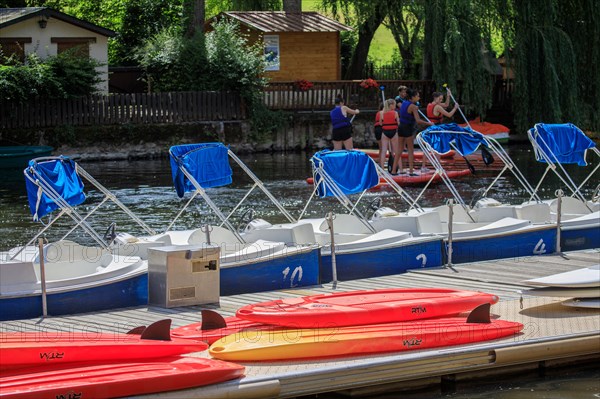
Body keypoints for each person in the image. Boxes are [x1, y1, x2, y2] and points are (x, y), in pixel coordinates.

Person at [399, 89, 434, 176]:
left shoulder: (404, 103)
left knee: (399, 150)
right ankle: (411, 171)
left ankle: (394, 171)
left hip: (401, 127)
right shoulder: (413, 106)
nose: (419, 97)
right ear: (413, 97)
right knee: (411, 150)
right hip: (408, 128)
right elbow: (418, 121)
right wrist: (429, 123)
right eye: (417, 96)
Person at [380, 98, 401, 174]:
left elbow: (380, 123)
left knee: (383, 151)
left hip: (385, 132)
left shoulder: (381, 113)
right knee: (396, 151)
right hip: (393, 132)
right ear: (391, 105)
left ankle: (382, 169)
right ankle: (400, 169)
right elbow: (398, 123)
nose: (395, 106)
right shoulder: (395, 113)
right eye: (394, 105)